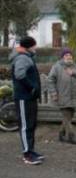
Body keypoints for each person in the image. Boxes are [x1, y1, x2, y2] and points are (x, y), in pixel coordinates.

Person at [10, 36, 43, 165]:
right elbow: (20, 75)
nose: (36, 48)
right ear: (29, 46)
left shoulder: (27, 57)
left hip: (29, 97)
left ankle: (31, 150)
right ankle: (27, 154)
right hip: (24, 97)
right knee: (25, 126)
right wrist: (31, 88)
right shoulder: (22, 58)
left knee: (31, 124)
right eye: (34, 45)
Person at [47, 48, 76, 145]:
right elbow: (50, 80)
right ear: (62, 57)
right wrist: (53, 93)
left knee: (69, 116)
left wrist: (74, 73)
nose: (68, 57)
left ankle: (61, 133)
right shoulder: (57, 67)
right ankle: (71, 136)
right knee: (66, 116)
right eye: (66, 55)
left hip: (74, 96)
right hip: (62, 96)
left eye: (70, 55)